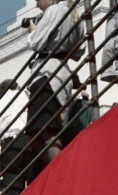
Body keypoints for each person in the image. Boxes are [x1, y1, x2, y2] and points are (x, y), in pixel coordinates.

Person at [25, 0, 85, 168]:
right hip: (62, 73)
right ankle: (57, 169)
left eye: (38, 0)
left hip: (46, 74)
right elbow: (78, 54)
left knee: (45, 131)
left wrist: (33, 30)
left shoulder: (54, 10)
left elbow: (34, 43)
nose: (37, 5)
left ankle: (60, 170)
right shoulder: (74, 14)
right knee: (40, 131)